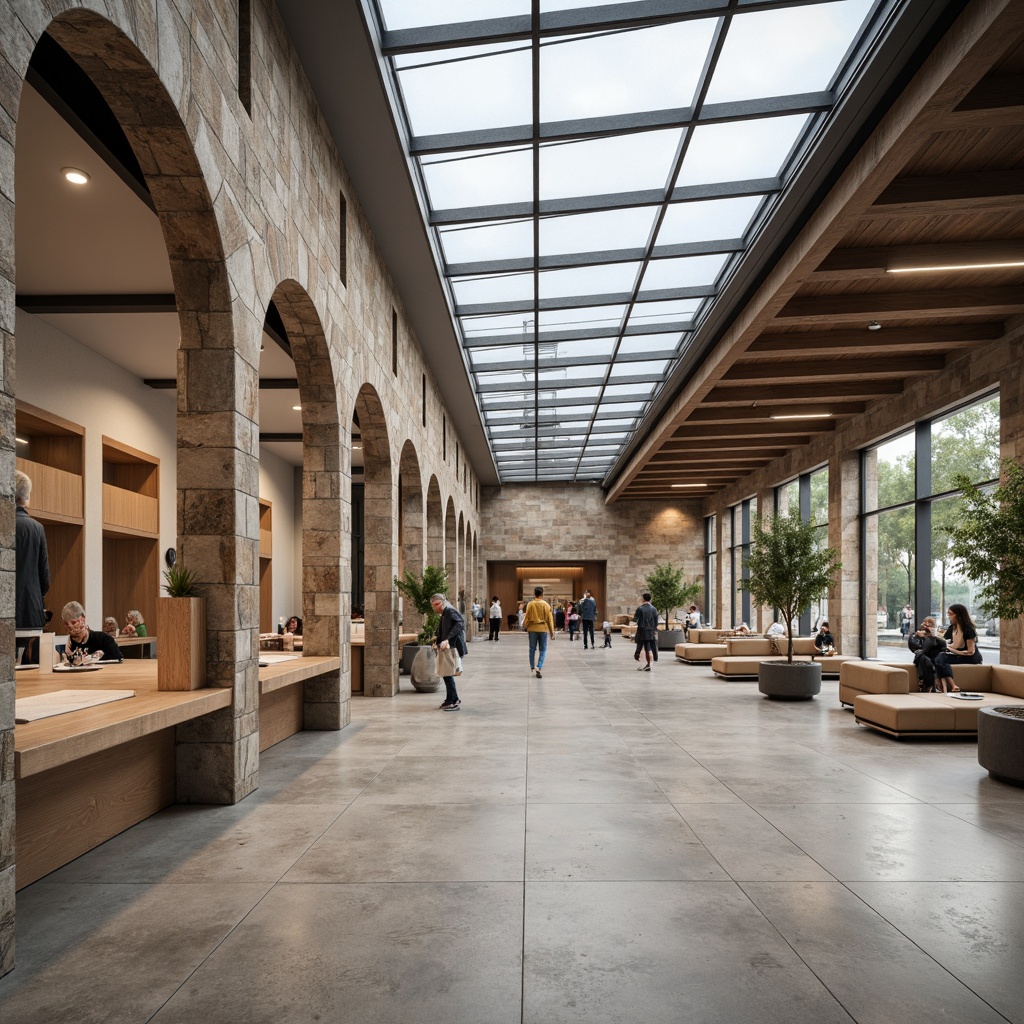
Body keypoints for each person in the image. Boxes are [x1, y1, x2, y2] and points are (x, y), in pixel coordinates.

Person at [15, 469, 50, 664]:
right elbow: (44, 575)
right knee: (32, 668)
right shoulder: (37, 528)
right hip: (31, 608)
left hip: (6, 610)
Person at [934, 603, 982, 693]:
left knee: (942, 657)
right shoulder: (952, 628)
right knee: (938, 657)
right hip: (958, 654)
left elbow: (970, 651)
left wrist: (952, 650)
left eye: (950, 614)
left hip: (970, 657)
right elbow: (945, 641)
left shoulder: (968, 629)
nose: (948, 617)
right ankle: (943, 684)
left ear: (958, 615)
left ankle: (951, 685)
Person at [430, 592, 466, 710]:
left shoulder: (449, 610)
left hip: (452, 647)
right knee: (446, 673)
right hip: (448, 646)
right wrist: (438, 640)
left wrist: (448, 639)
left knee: (448, 673)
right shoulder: (445, 612)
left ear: (440, 603)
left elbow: (460, 623)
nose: (435, 608)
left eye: (436, 605)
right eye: (433, 605)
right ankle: (450, 698)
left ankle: (453, 700)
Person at [523, 586, 555, 678]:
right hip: (543, 629)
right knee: (543, 649)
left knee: (532, 648)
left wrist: (525, 626)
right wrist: (552, 632)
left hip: (532, 629)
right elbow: (550, 619)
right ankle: (539, 666)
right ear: (542, 594)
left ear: (534, 593)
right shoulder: (546, 605)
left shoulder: (530, 604)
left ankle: (532, 666)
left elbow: (527, 616)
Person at [909, 616, 944, 692]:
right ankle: (932, 683)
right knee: (924, 659)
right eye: (928, 623)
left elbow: (943, 647)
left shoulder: (937, 636)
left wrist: (931, 637)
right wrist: (924, 638)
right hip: (923, 657)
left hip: (934, 657)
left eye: (932, 624)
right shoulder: (915, 635)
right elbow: (916, 648)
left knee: (924, 658)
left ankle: (925, 683)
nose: (930, 626)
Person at [633, 591, 659, 671]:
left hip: (642, 630)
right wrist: (654, 629)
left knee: (640, 646)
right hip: (650, 631)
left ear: (643, 599)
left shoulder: (640, 609)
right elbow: (656, 621)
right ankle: (648, 664)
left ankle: (637, 656)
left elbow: (635, 620)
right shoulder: (654, 609)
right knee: (648, 647)